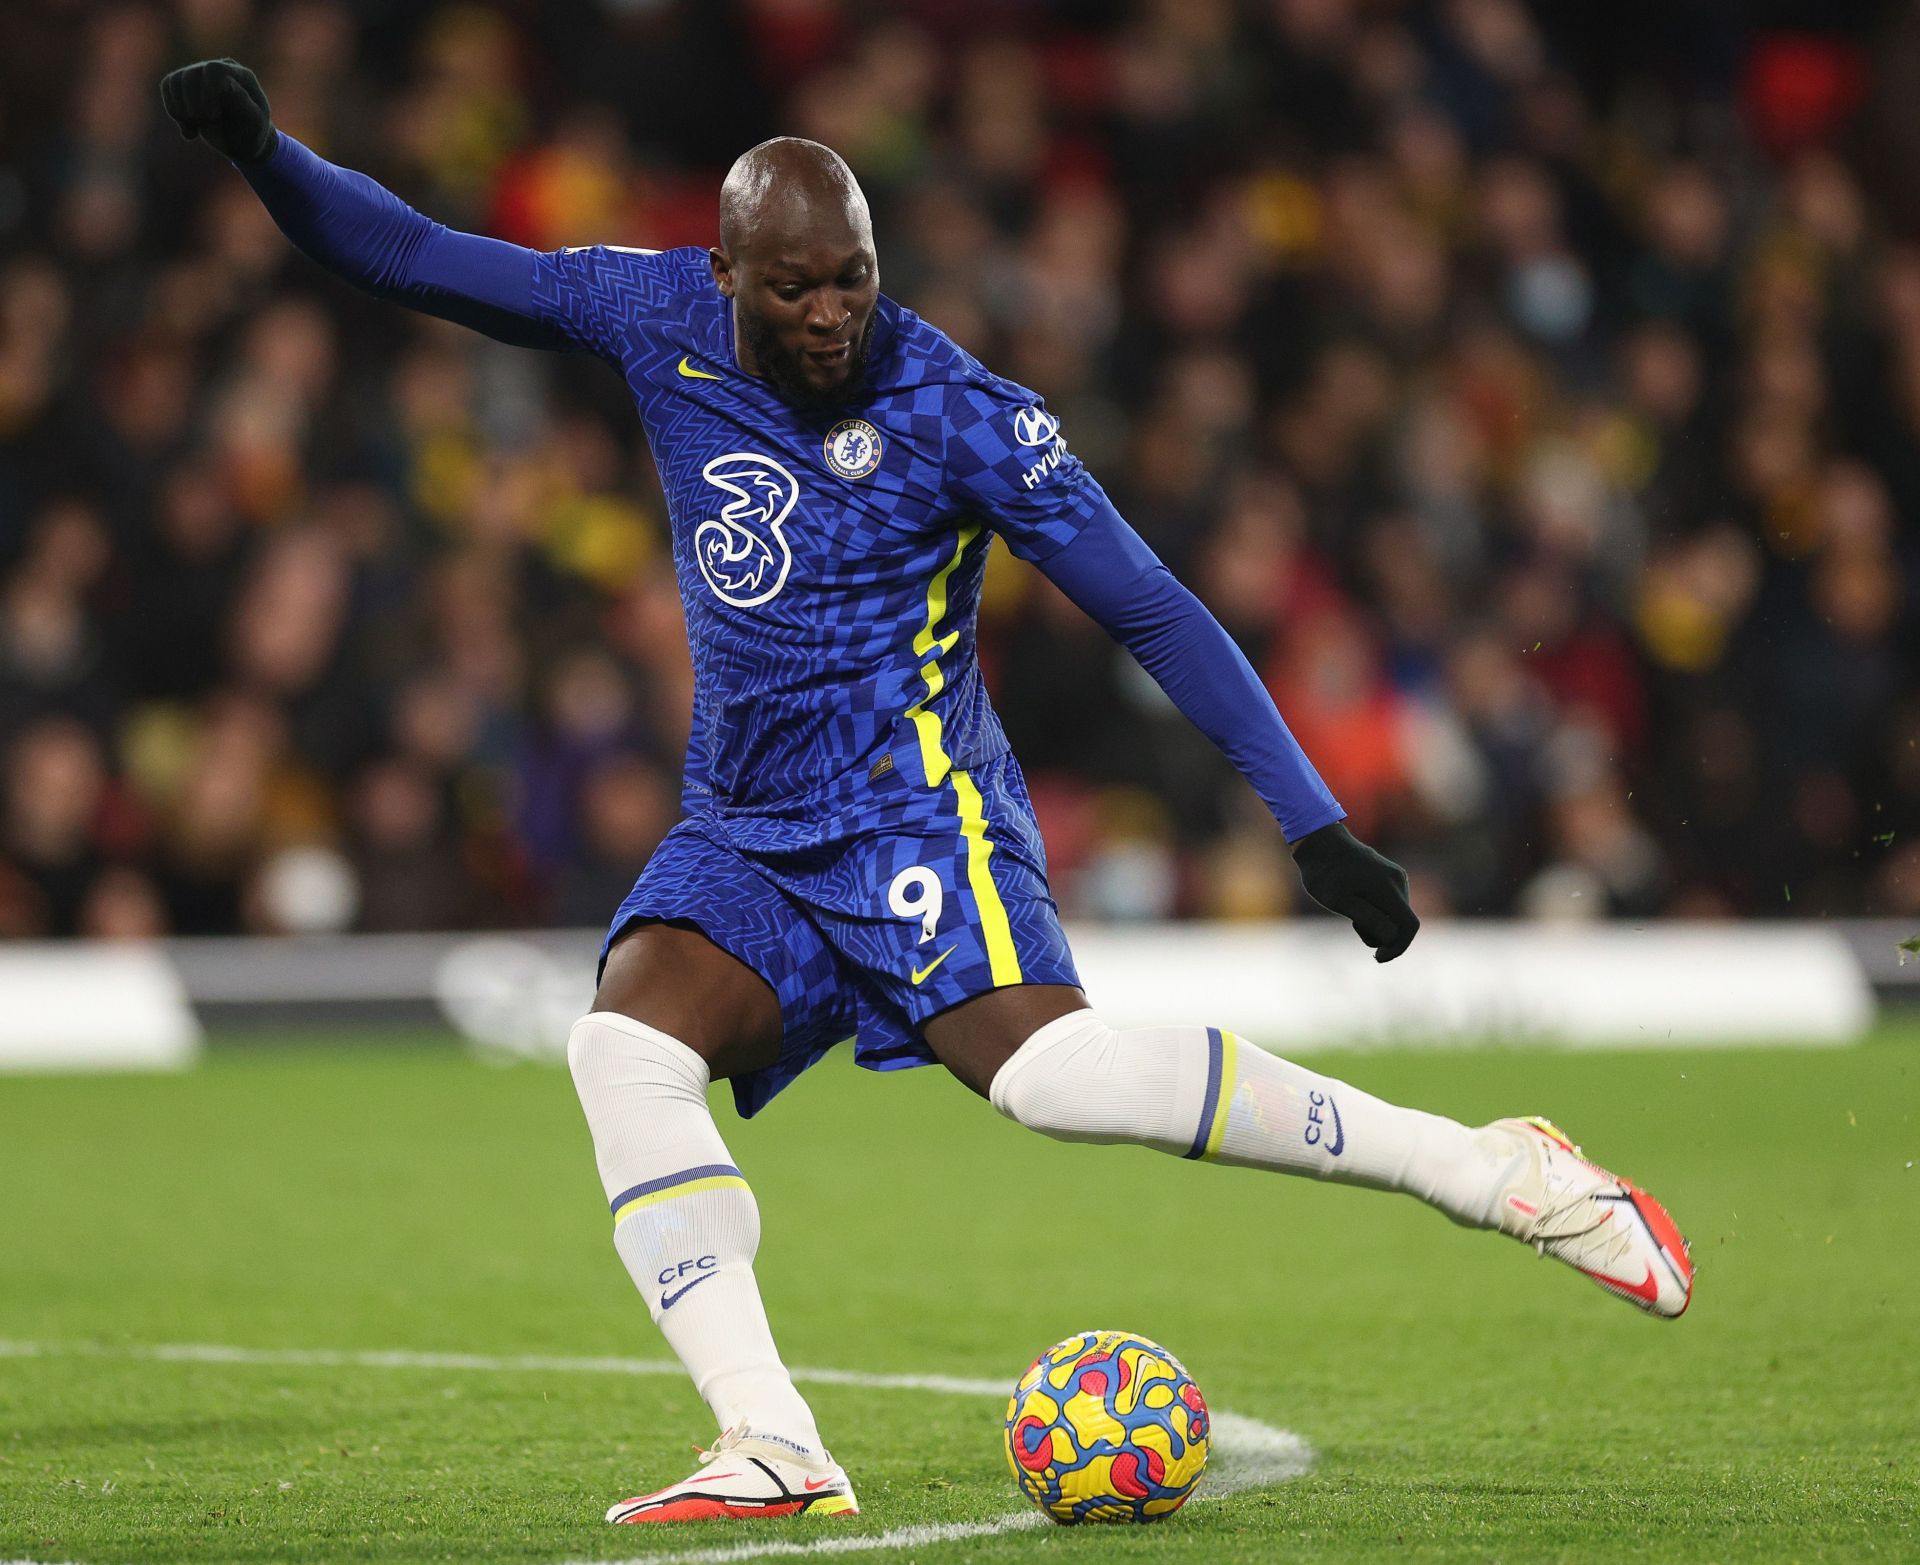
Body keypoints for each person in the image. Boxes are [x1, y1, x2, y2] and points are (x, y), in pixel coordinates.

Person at [161, 58, 1694, 1526]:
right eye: (796, 288)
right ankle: (771, 1438)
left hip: (915, 811)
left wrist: (1309, 819)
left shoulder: (966, 413)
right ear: (729, 274)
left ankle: (1488, 1169)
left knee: (1053, 1082)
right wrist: (265, 158)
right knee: (620, 1044)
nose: (831, 316)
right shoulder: (649, 314)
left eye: (854, 280)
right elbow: (421, 255)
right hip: (745, 828)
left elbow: (1155, 606)